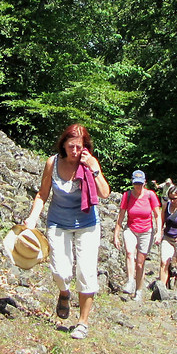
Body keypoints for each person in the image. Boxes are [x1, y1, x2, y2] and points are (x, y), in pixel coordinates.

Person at [22, 124, 111, 339]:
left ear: (85, 147)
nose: (75, 151)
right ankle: (64, 292)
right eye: (71, 146)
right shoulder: (52, 163)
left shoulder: (89, 164)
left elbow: (105, 193)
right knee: (60, 271)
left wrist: (94, 168)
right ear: (63, 144)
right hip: (58, 222)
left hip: (87, 223)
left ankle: (82, 323)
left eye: (79, 147)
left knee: (86, 272)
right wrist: (32, 219)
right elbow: (42, 194)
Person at [113, 170, 161, 299]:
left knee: (140, 263)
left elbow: (157, 215)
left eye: (140, 184)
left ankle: (138, 290)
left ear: (144, 182)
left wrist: (158, 232)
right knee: (129, 253)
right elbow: (121, 216)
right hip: (131, 229)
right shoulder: (127, 195)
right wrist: (116, 235)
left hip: (146, 231)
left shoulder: (150, 195)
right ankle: (130, 281)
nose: (138, 186)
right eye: (136, 184)